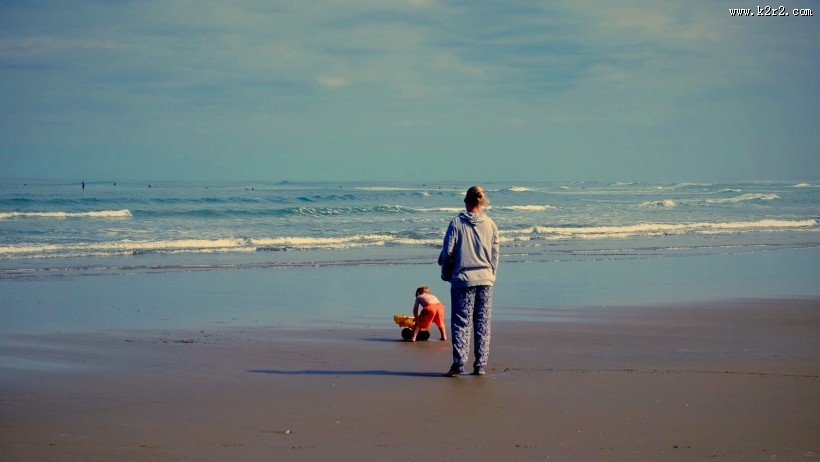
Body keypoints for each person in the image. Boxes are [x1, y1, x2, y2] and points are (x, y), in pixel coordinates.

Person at [439, 186, 499, 376]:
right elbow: (495, 255)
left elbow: (448, 252)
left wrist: (446, 272)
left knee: (461, 323)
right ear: (481, 202)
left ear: (466, 201)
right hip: (485, 279)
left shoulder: (456, 223)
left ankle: (459, 364)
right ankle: (480, 365)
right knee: (482, 323)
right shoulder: (490, 224)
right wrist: (492, 275)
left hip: (463, 279)